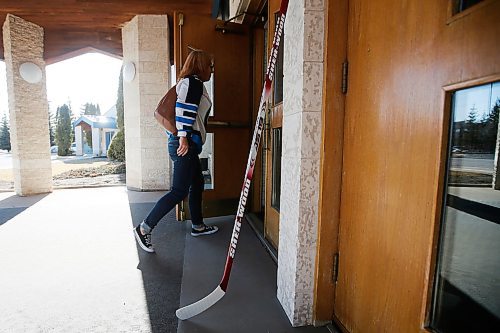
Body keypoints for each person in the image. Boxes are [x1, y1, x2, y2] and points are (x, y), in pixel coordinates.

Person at [134, 49, 218, 253]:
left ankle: (197, 226)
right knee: (179, 191)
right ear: (201, 66)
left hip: (184, 141)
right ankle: (144, 228)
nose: (212, 70)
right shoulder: (193, 83)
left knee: (197, 183)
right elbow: (184, 110)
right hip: (184, 143)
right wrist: (183, 137)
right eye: (210, 65)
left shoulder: (191, 83)